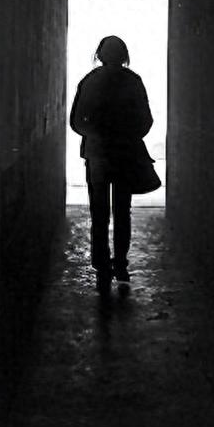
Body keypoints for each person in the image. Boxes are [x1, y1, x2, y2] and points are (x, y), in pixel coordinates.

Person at [70, 35, 154, 291]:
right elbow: (146, 121)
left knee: (99, 213)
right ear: (124, 56)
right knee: (122, 211)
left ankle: (101, 266)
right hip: (124, 154)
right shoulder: (133, 81)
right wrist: (126, 136)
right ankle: (121, 265)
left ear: (100, 55)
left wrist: (97, 136)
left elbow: (76, 121)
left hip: (97, 155)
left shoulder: (89, 81)